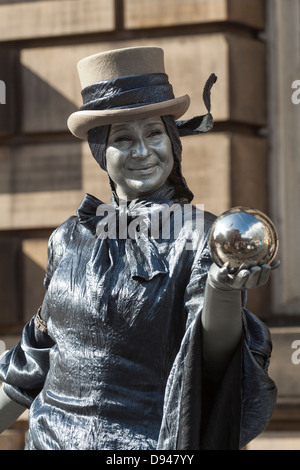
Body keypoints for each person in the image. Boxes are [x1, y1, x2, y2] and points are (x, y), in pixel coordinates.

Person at [0, 46, 278, 450]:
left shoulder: (201, 236)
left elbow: (212, 363)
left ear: (172, 139)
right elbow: (35, 356)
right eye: (124, 139)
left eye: (154, 133)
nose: (143, 151)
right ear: (101, 152)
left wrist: (223, 290)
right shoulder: (68, 237)